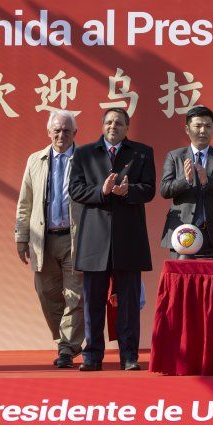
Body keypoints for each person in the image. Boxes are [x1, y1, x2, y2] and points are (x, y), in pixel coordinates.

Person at [69, 107, 156, 371]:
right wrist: (102, 190)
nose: (113, 126)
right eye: (109, 122)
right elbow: (75, 189)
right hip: (95, 239)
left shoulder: (142, 152)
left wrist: (130, 190)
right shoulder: (84, 153)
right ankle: (92, 356)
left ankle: (129, 356)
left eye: (119, 123)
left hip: (129, 238)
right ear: (102, 125)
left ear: (127, 128)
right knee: (93, 301)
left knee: (128, 303)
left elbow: (150, 189)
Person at [14, 110, 84, 369]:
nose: (61, 135)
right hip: (42, 239)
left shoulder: (85, 159)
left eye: (67, 130)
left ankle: (67, 348)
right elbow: (25, 202)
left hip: (75, 238)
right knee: (47, 293)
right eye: (57, 130)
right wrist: (21, 237)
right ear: (49, 132)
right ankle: (64, 340)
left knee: (76, 296)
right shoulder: (36, 160)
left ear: (75, 134)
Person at [160, 106, 213, 258]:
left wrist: (208, 181)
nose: (203, 130)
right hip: (182, 232)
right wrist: (186, 180)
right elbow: (165, 190)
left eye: (208, 126)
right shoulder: (175, 156)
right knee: (181, 280)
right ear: (187, 129)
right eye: (198, 126)